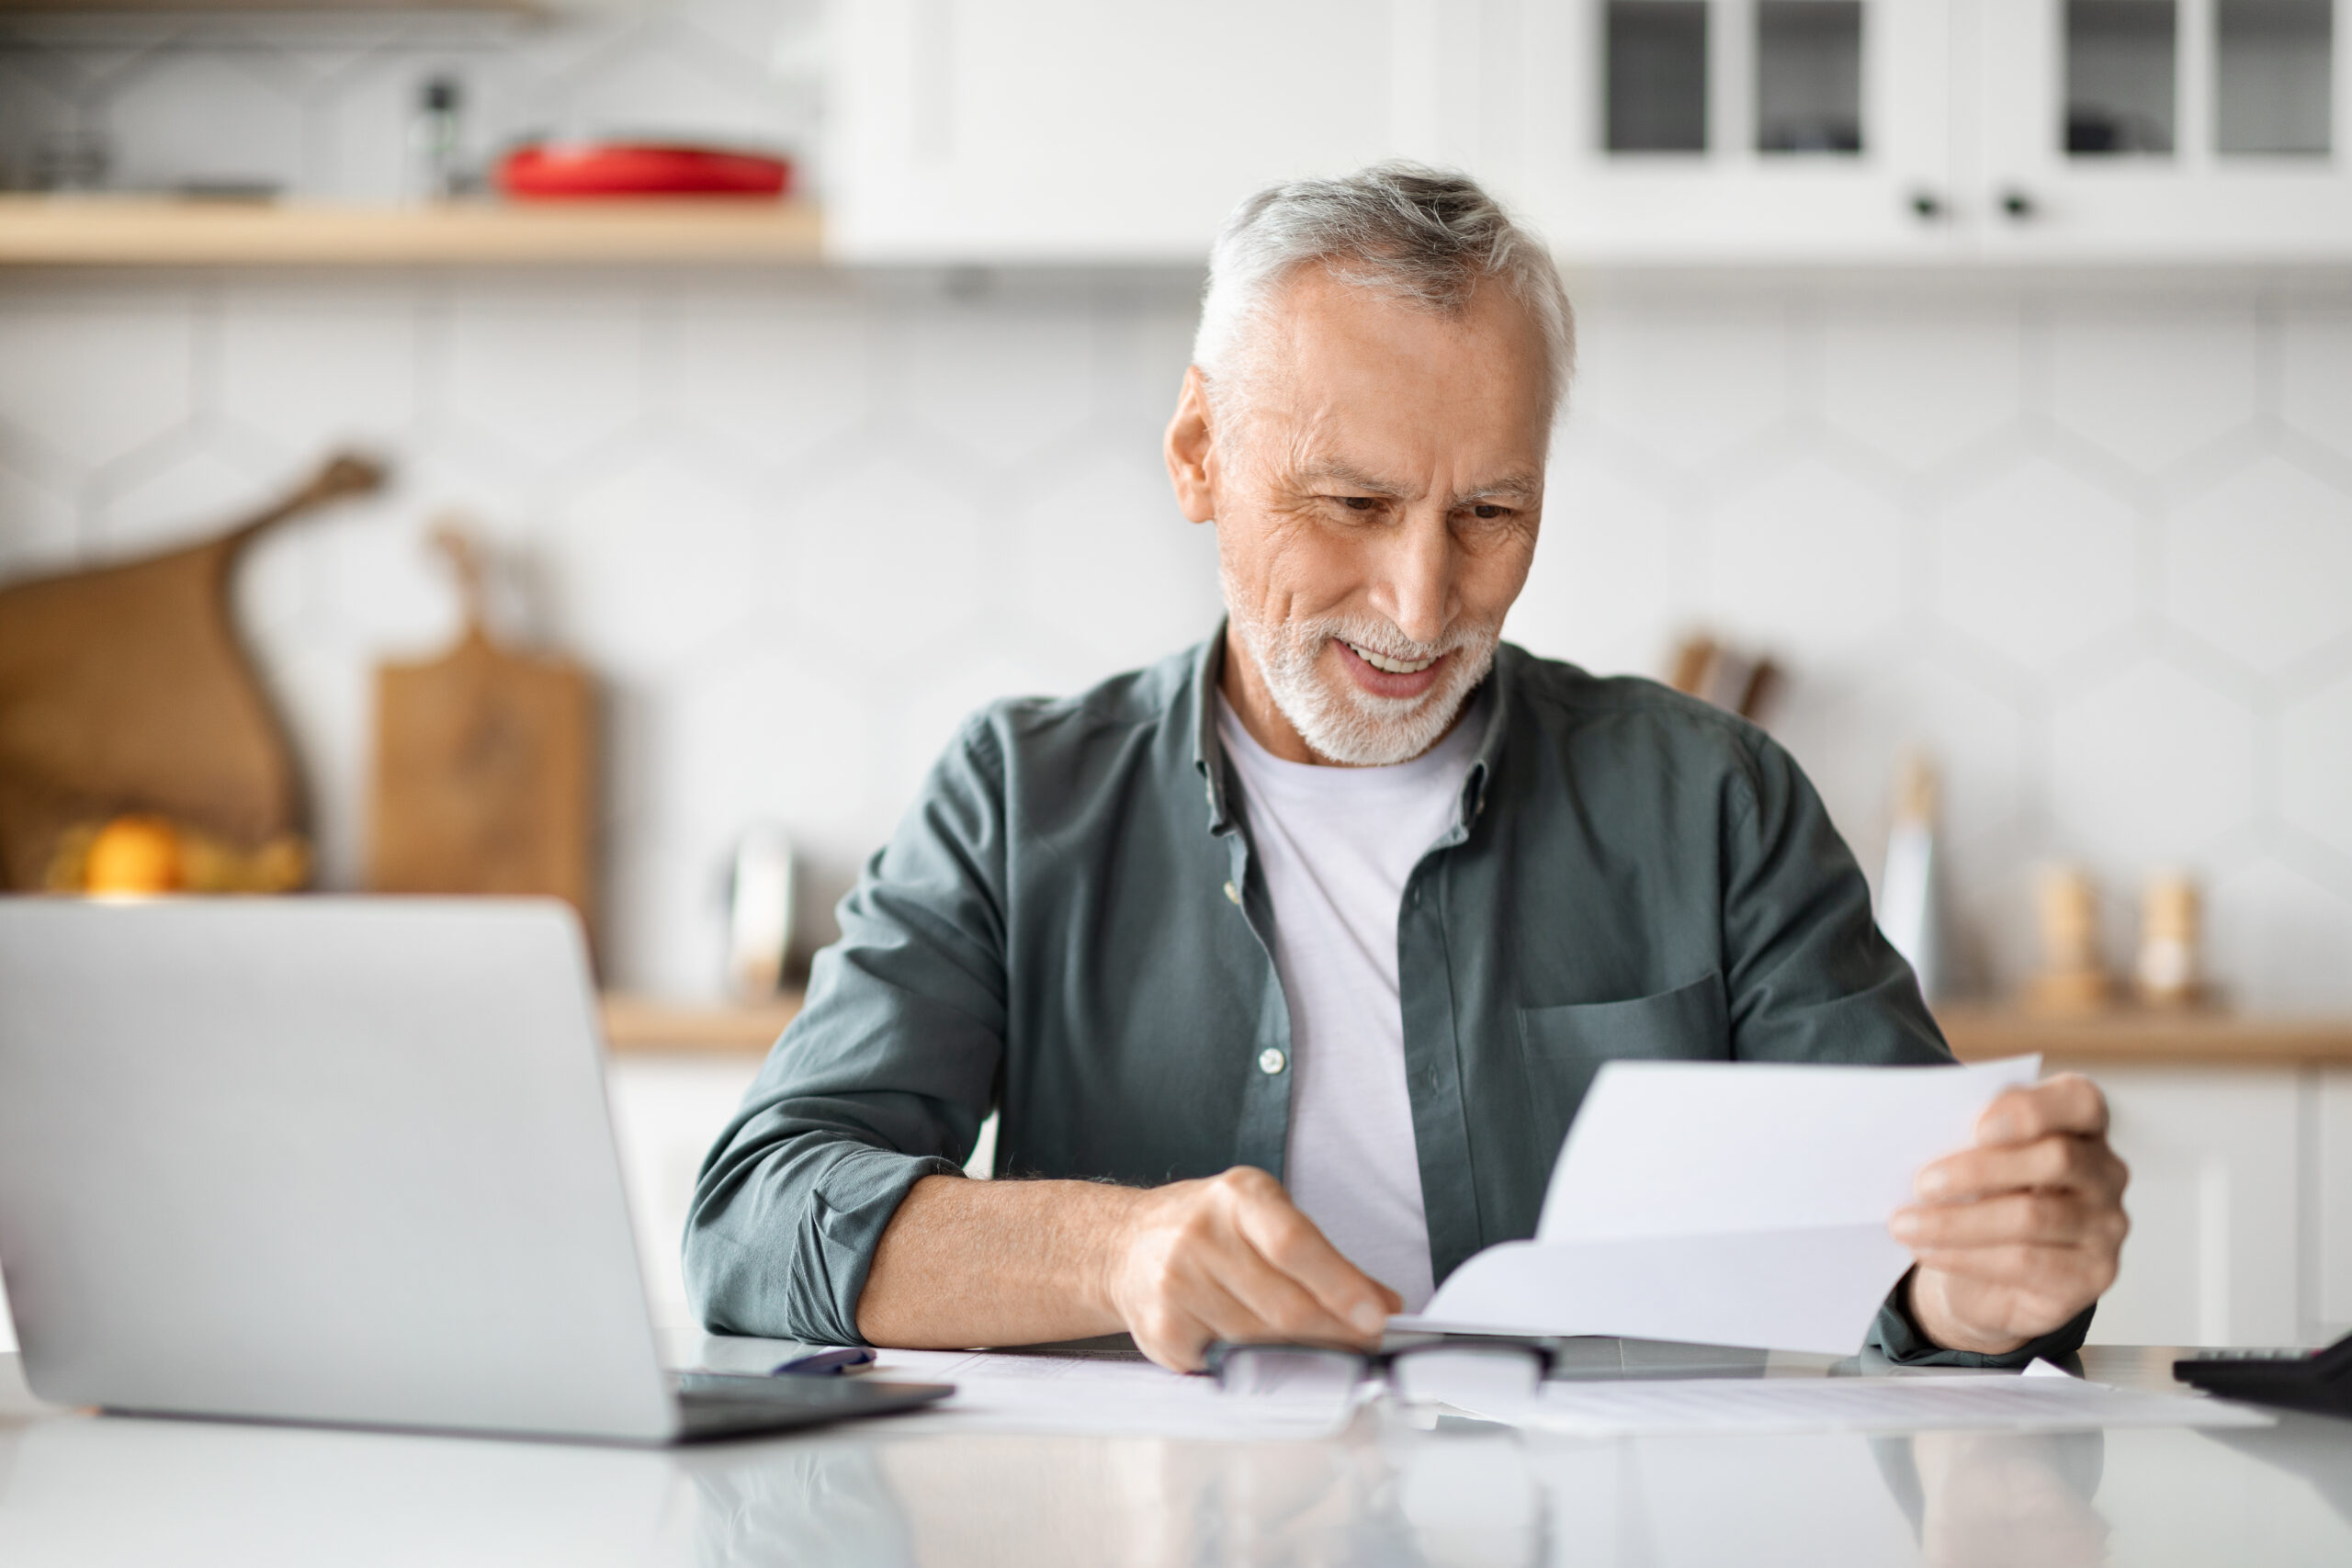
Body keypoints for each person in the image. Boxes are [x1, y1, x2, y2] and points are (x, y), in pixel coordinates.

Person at [685, 164, 2130, 1372]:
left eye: (1491, 511)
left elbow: (1914, 1250)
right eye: (1353, 504)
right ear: (1199, 455)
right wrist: (1118, 1248)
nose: (1426, 602)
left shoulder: (1714, 802)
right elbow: (759, 1219)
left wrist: (1985, 1289)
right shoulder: (1019, 799)